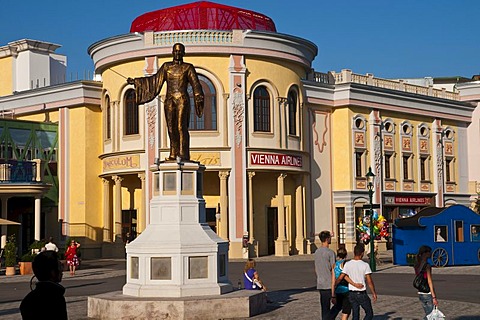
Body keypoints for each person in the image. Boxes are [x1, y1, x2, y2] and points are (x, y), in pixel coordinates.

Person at [127, 42, 204, 161]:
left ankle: (183, 154)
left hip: (182, 99)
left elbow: (195, 83)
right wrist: (136, 82)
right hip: (170, 99)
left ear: (183, 53)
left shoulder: (188, 67)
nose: (177, 53)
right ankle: (173, 153)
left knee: (180, 126)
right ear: (172, 52)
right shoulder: (166, 67)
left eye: (180, 51)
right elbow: (154, 80)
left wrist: (198, 95)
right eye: (175, 51)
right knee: (170, 127)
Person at [19, 251, 67, 319]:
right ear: (52, 272)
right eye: (60, 267)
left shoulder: (27, 300)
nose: (62, 271)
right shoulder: (56, 298)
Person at [337, 243, 377, 320]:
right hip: (361, 292)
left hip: (351, 293)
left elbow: (341, 276)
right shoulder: (365, 265)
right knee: (369, 313)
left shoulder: (348, 264)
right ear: (362, 253)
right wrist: (373, 293)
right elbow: (369, 281)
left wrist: (335, 284)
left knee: (355, 314)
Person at [314, 230, 336, 319]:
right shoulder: (330, 252)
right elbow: (334, 268)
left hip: (320, 283)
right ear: (327, 239)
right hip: (329, 283)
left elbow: (316, 268)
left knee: (324, 308)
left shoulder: (317, 252)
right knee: (339, 304)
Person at [414, 245, 438, 318]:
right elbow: (430, 282)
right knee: (431, 315)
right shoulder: (427, 266)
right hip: (427, 293)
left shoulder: (417, 264)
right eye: (429, 252)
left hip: (420, 292)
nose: (431, 254)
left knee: (428, 314)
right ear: (425, 253)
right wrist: (434, 297)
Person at [329, 247, 352, 320]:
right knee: (346, 311)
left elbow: (333, 281)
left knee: (337, 307)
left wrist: (333, 295)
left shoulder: (334, 265)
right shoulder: (345, 264)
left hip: (338, 290)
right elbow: (348, 277)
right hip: (346, 289)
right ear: (346, 254)